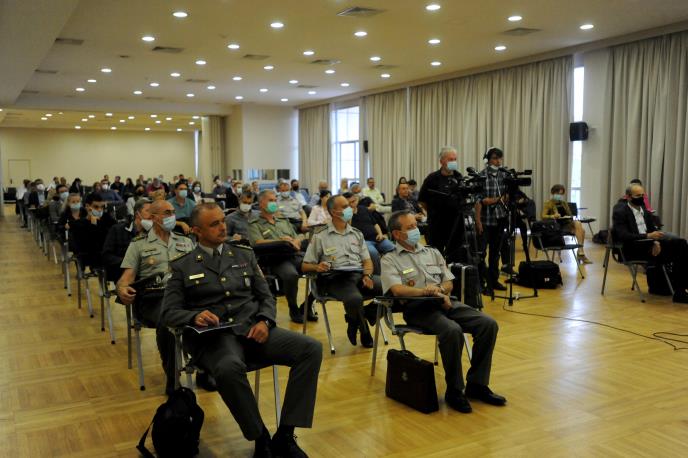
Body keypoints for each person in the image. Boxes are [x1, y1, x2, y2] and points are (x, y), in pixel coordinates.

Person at [160, 203, 321, 458]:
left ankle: (285, 434)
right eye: (214, 224)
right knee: (228, 368)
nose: (222, 227)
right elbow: (168, 313)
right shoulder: (183, 266)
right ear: (196, 231)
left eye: (222, 221)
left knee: (310, 348)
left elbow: (266, 296)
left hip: (253, 329)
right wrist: (194, 316)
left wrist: (265, 321)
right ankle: (260, 437)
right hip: (215, 339)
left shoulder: (243, 254)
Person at [381, 210, 506, 413]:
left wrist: (440, 290)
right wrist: (425, 292)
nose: (416, 230)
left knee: (488, 324)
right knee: (452, 330)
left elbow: (448, 282)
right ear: (396, 234)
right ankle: (454, 390)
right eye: (410, 227)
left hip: (445, 302)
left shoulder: (432, 252)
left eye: (415, 225)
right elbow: (397, 290)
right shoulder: (389, 259)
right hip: (418, 309)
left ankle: (477, 384)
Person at [117, 200, 198, 394]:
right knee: (168, 318)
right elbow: (126, 279)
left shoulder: (185, 241)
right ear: (153, 218)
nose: (172, 216)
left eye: (173, 212)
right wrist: (122, 289)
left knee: (208, 309)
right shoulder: (138, 245)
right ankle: (173, 377)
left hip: (185, 296)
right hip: (154, 298)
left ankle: (205, 369)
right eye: (166, 213)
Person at [302, 194, 382, 348]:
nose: (350, 208)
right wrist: (317, 267)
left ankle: (359, 317)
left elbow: (367, 261)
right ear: (334, 212)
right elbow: (305, 266)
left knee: (391, 288)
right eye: (345, 206)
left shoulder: (356, 233)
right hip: (335, 278)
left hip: (358, 275)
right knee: (354, 299)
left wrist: (367, 275)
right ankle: (364, 330)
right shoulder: (320, 236)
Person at [611, 184, 688, 303]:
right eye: (638, 196)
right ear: (629, 197)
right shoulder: (620, 212)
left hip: (649, 245)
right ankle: (680, 291)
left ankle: (680, 290)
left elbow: (653, 231)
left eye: (643, 195)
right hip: (633, 248)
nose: (641, 198)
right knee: (680, 248)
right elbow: (623, 236)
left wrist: (655, 242)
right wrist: (648, 237)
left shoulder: (646, 212)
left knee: (681, 244)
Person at [249, 190, 310, 323]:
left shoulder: (283, 220)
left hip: (295, 254)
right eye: (270, 200)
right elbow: (257, 242)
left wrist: (296, 241)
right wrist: (281, 241)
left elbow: (298, 235)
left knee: (321, 268)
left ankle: (308, 304)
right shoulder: (254, 223)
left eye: (275, 200)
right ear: (261, 203)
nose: (274, 203)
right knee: (291, 275)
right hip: (276, 259)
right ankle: (293, 307)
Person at [418, 146, 465, 260]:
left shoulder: (459, 177)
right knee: (436, 256)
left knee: (455, 256)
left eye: (455, 159)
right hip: (436, 225)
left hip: (456, 225)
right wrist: (433, 212)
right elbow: (422, 201)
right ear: (441, 161)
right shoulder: (432, 178)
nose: (453, 162)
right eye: (450, 159)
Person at [475, 147, 509, 293]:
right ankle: (481, 282)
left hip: (500, 219)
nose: (498, 161)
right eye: (495, 158)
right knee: (481, 253)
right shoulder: (481, 176)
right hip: (485, 220)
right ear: (488, 160)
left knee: (495, 253)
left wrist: (495, 200)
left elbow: (507, 196)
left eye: (500, 158)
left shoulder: (504, 175)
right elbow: (479, 201)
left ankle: (493, 280)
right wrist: (478, 222)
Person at [102, 198, 152, 281]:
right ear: (137, 214)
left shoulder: (154, 232)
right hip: (125, 275)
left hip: (150, 275)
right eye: (148, 211)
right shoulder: (117, 230)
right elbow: (106, 256)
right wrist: (129, 262)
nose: (152, 215)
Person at [542, 184, 592, 264]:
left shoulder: (563, 203)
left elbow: (570, 214)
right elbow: (543, 216)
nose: (559, 196)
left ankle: (580, 251)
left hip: (566, 223)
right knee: (582, 231)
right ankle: (581, 253)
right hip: (557, 225)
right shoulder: (548, 203)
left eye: (561, 194)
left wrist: (568, 216)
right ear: (553, 193)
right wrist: (553, 216)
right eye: (558, 194)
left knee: (578, 223)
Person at [346, 192, 394, 274]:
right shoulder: (346, 214)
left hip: (377, 237)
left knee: (392, 248)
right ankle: (378, 274)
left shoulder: (363, 209)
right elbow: (348, 229)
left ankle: (395, 270)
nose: (352, 204)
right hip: (364, 241)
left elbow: (375, 223)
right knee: (373, 253)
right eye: (349, 203)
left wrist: (380, 234)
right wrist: (350, 215)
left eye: (353, 201)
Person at [70, 193, 116, 269]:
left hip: (109, 252)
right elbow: (89, 244)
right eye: (96, 207)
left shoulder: (106, 217)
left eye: (102, 207)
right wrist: (93, 223)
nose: (100, 210)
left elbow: (115, 231)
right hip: (92, 255)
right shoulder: (78, 224)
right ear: (87, 207)